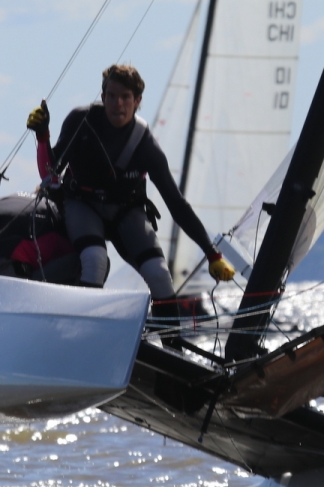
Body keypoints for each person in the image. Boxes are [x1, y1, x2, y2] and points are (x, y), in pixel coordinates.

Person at [27, 64, 235, 340]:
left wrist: (213, 254)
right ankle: (79, 338)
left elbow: (176, 203)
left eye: (125, 97)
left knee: (159, 274)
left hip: (126, 211)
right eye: (112, 96)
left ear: (137, 101)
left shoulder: (146, 145)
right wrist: (42, 136)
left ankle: (173, 350)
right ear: (103, 97)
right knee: (95, 259)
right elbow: (50, 174)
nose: (118, 104)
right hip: (83, 204)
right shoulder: (80, 120)